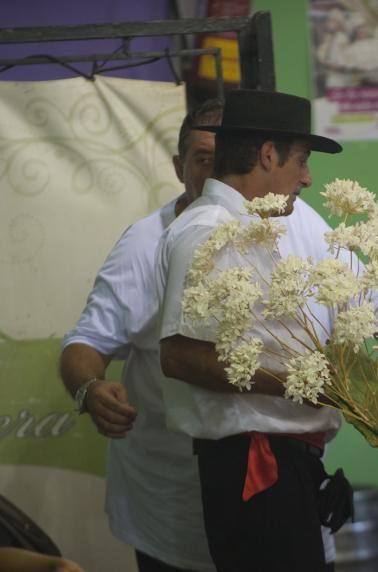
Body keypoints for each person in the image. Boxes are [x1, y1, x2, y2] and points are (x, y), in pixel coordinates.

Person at [155, 89, 346, 572]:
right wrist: (298, 383)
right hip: (255, 466)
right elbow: (179, 355)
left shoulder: (248, 226)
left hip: (284, 463)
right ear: (266, 155)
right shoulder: (207, 230)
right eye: (300, 161)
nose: (306, 177)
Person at [59, 100, 222, 572]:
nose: (214, 176)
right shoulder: (146, 243)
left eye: (226, 159)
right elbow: (85, 343)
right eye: (202, 160)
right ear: (179, 167)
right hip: (170, 497)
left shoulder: (289, 228)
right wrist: (89, 389)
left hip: (271, 495)